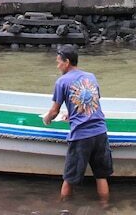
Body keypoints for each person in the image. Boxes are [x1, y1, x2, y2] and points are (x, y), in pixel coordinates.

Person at [42, 44, 112, 207]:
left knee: (69, 178)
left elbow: (54, 111)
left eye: (59, 62)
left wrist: (47, 119)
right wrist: (72, 113)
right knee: (101, 176)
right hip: (100, 133)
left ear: (66, 62)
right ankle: (105, 206)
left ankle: (64, 207)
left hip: (81, 136)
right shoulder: (91, 77)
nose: (58, 65)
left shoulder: (62, 82)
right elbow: (91, 102)